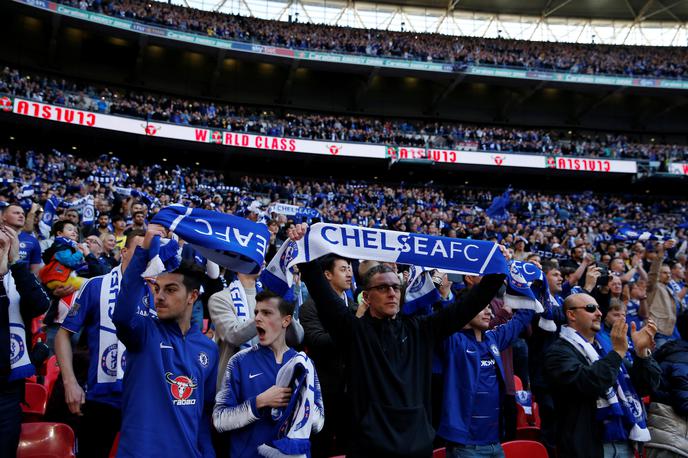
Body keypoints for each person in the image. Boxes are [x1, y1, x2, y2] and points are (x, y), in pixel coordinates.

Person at [293, 224, 506, 457]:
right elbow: (321, 293)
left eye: (395, 287)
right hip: (369, 449)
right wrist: (303, 249)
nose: (392, 293)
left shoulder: (421, 329)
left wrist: (496, 272)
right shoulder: (353, 330)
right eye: (383, 287)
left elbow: (468, 306)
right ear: (367, 296)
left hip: (418, 447)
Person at [113, 224, 218, 458]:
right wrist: (143, 253)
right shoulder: (142, 333)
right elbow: (122, 314)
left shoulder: (208, 349)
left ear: (192, 296)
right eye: (157, 289)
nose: (159, 297)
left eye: (170, 290)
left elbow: (203, 414)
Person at [54, 230, 147, 458]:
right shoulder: (96, 286)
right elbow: (62, 335)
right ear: (124, 252)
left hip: (142, 399)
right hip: (100, 397)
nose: (145, 258)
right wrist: (70, 383)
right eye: (140, 251)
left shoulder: (156, 291)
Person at [545, 293, 661, 458]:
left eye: (599, 308)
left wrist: (642, 354)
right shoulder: (558, 352)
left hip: (622, 441)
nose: (599, 313)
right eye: (591, 308)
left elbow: (646, 386)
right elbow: (591, 383)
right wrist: (618, 352)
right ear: (571, 314)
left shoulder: (605, 348)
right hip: (588, 447)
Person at [213, 290, 324, 458]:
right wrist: (259, 403)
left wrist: (299, 400)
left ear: (286, 320)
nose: (257, 318)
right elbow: (219, 420)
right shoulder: (238, 361)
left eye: (266, 313)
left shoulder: (304, 364)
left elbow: (319, 423)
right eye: (256, 312)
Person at [437, 302, 534, 458]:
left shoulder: (493, 338)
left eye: (489, 307)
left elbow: (521, 320)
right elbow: (435, 322)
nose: (488, 312)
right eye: (481, 306)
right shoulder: (453, 341)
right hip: (466, 447)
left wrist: (531, 286)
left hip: (495, 444)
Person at [0, 225, 50, 456]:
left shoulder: (18, 278)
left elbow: (41, 304)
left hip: (8, 388)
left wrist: (16, 267)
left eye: (3, 244)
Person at [300, 254, 355, 457]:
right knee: (321, 446)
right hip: (324, 391)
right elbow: (317, 341)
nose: (349, 273)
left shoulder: (355, 306)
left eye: (350, 268)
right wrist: (353, 328)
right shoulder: (310, 306)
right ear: (327, 275)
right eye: (343, 269)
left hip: (354, 391)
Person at [648, 241, 681, 348]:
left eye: (669, 273)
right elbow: (654, 271)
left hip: (671, 333)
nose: (668, 275)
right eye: (664, 273)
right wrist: (662, 252)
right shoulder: (654, 286)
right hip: (658, 333)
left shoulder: (669, 288)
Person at [1, 203, 42, 275]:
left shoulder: (32, 240)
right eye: (16, 213)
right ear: (3, 217)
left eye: (23, 214)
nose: (21, 216)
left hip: (20, 283)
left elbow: (34, 270)